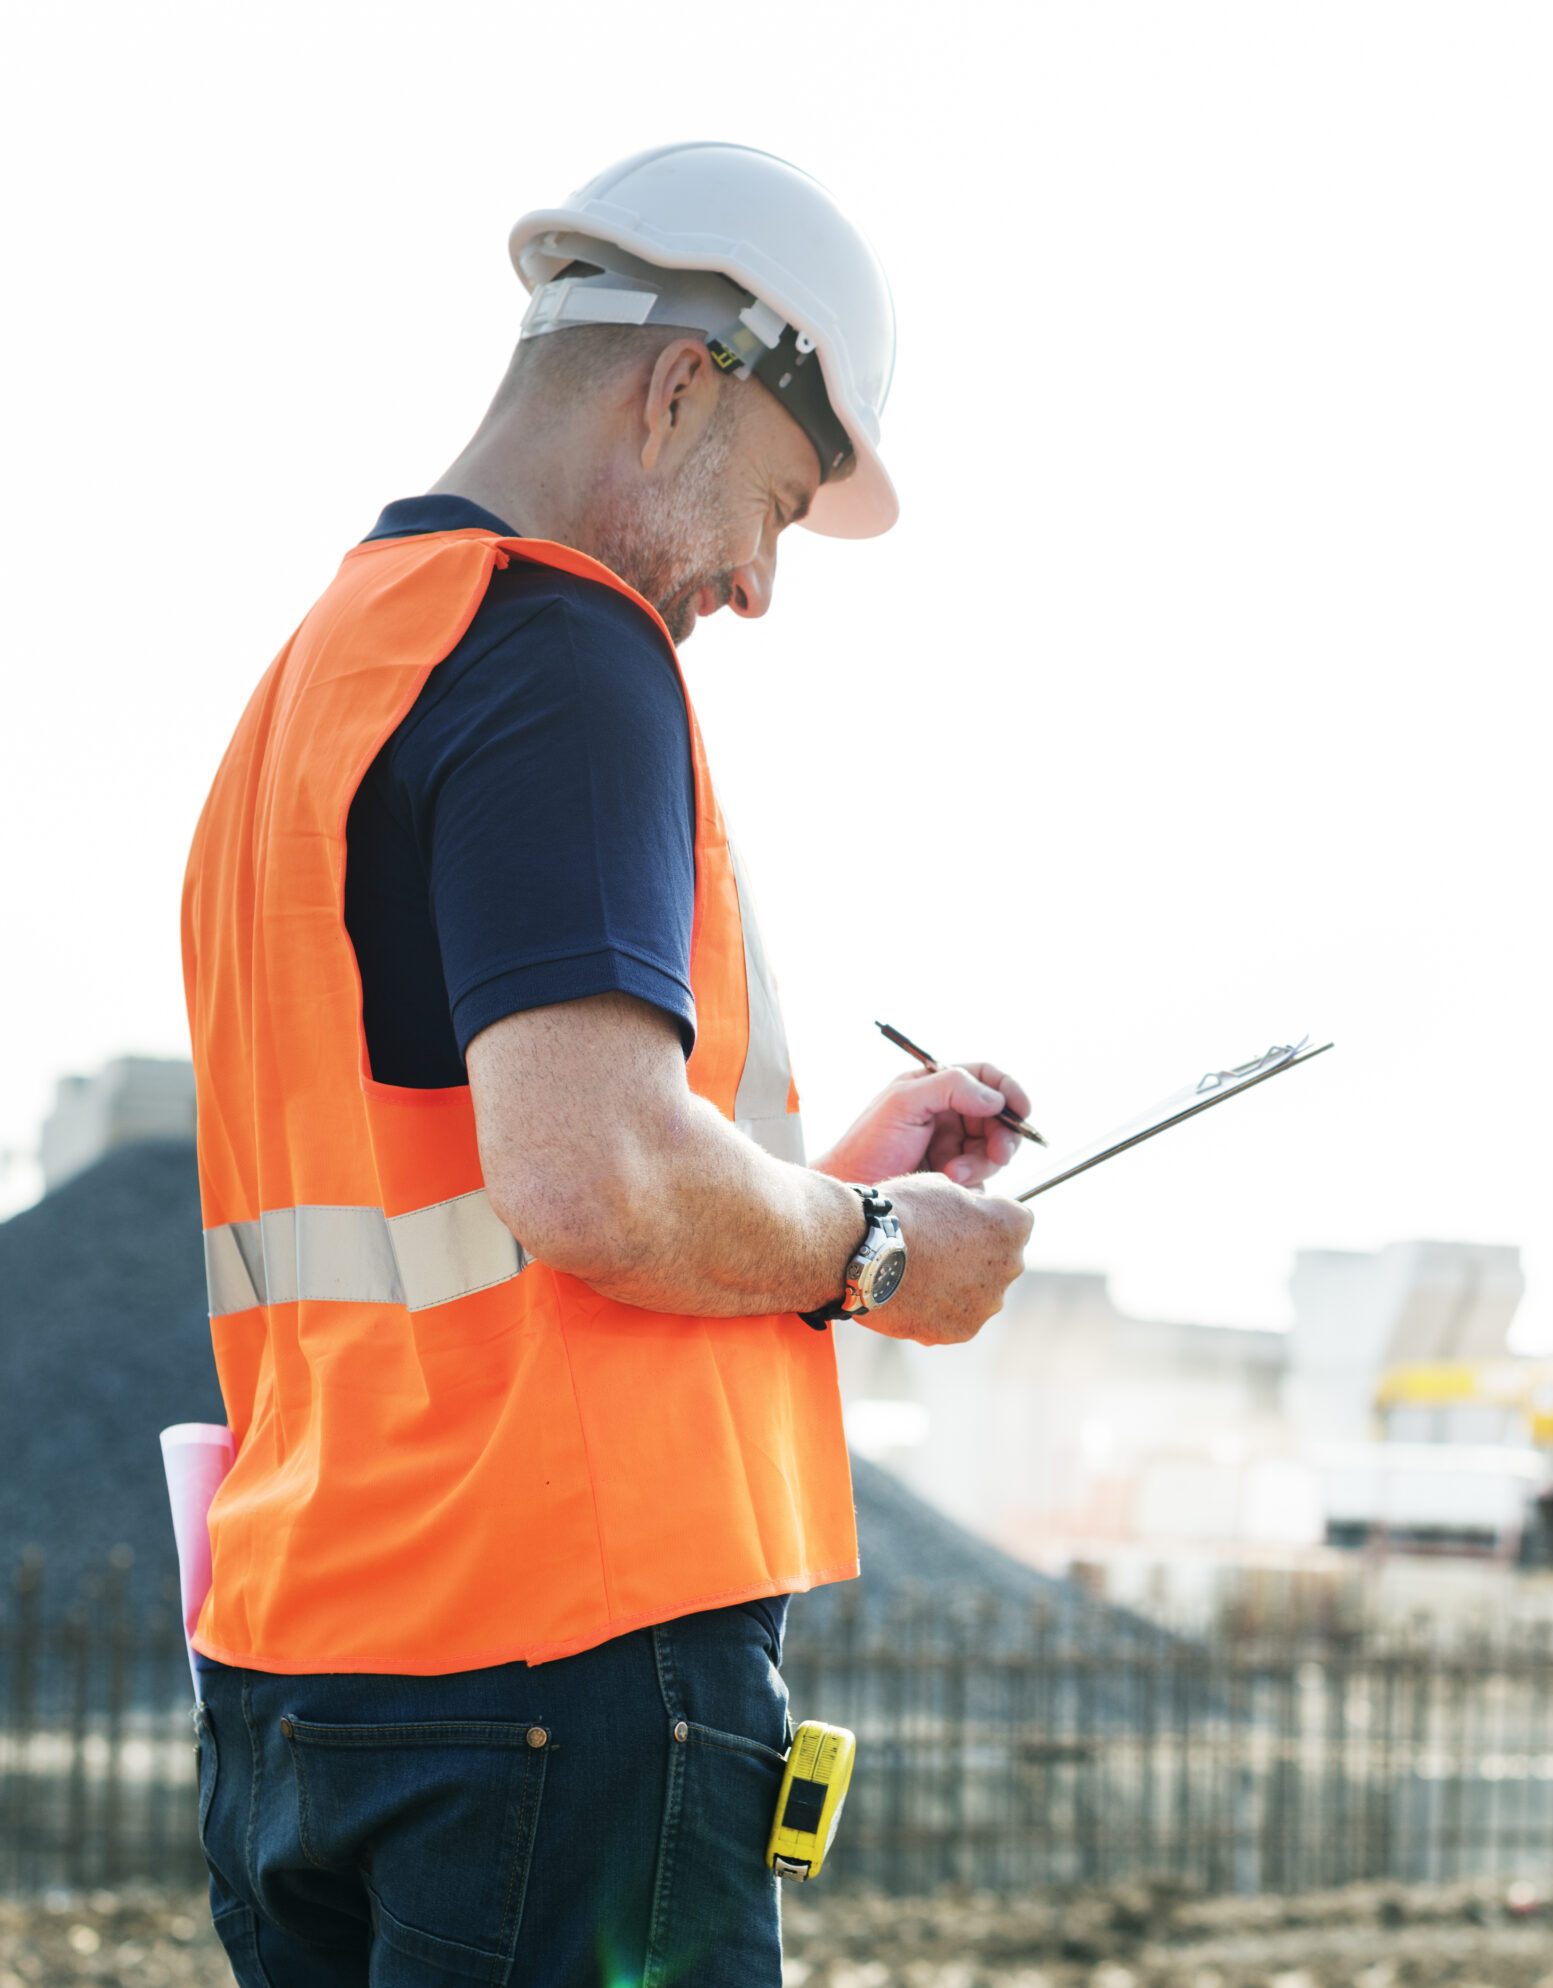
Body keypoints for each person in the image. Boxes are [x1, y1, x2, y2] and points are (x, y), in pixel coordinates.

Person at [180, 143, 1034, 1986]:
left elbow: (459, 1157)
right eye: (784, 510)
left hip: (310, 1682)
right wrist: (878, 1251)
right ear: (678, 391)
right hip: (558, 1667)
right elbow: (591, 1180)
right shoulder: (564, 644)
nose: (758, 583)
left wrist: (821, 1169)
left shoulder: (326, 671)